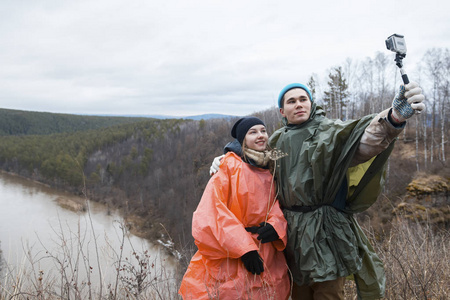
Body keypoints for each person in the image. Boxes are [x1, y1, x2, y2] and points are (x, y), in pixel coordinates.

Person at [210, 82, 425, 300]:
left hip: (327, 231)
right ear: (283, 111)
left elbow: (363, 142)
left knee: (329, 293)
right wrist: (228, 158)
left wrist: (393, 118)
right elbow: (256, 158)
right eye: (291, 101)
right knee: (298, 293)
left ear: (311, 104)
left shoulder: (330, 132)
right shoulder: (278, 140)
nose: (299, 105)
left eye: (303, 99)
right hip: (292, 235)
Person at [179, 117, 291, 300]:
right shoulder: (229, 166)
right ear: (242, 139)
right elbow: (212, 213)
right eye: (252, 132)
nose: (260, 135)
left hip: (268, 251)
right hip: (232, 255)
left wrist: (276, 226)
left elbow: (280, 202)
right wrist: (244, 249)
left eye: (263, 131)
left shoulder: (273, 165)